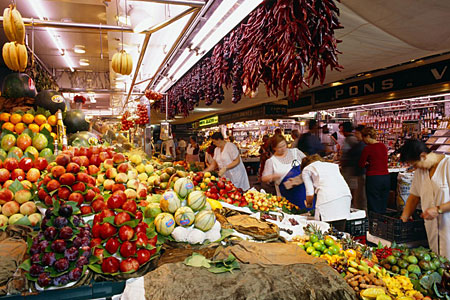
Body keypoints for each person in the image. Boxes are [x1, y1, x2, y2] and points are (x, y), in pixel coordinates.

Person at [399, 140, 450, 257]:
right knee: (437, 262)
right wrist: (404, 217)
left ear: (423, 156)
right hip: (432, 228)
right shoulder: (420, 172)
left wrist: (438, 209)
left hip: (447, 225)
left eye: (415, 164)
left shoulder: (447, 165)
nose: (415, 168)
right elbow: (414, 196)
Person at [300, 154, 352, 231]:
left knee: (324, 229)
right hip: (345, 196)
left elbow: (309, 192)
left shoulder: (306, 169)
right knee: (340, 230)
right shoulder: (331, 166)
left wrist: (309, 204)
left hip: (327, 199)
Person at [359, 127, 389, 213]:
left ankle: (374, 223)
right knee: (383, 202)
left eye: (363, 137)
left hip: (373, 178)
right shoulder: (383, 146)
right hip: (386, 177)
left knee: (373, 203)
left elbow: (361, 164)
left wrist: (367, 164)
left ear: (368, 136)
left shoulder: (367, 148)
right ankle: (383, 222)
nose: (363, 140)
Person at [340, 122, 359, 202]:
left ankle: (351, 203)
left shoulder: (352, 139)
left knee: (351, 187)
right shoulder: (348, 139)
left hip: (351, 168)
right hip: (348, 168)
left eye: (341, 130)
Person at [351, 125, 367, 211]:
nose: (355, 135)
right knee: (359, 196)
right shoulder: (360, 145)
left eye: (357, 133)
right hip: (359, 173)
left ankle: (362, 214)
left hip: (361, 173)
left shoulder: (362, 145)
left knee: (360, 197)